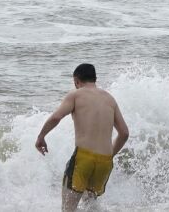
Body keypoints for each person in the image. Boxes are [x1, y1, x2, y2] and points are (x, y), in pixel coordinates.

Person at [35, 63, 130, 212]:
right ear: (95, 79)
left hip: (83, 159)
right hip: (104, 162)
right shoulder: (110, 99)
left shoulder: (75, 95)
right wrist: (110, 154)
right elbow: (124, 133)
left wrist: (41, 136)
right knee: (91, 207)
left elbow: (56, 117)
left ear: (76, 81)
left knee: (68, 209)